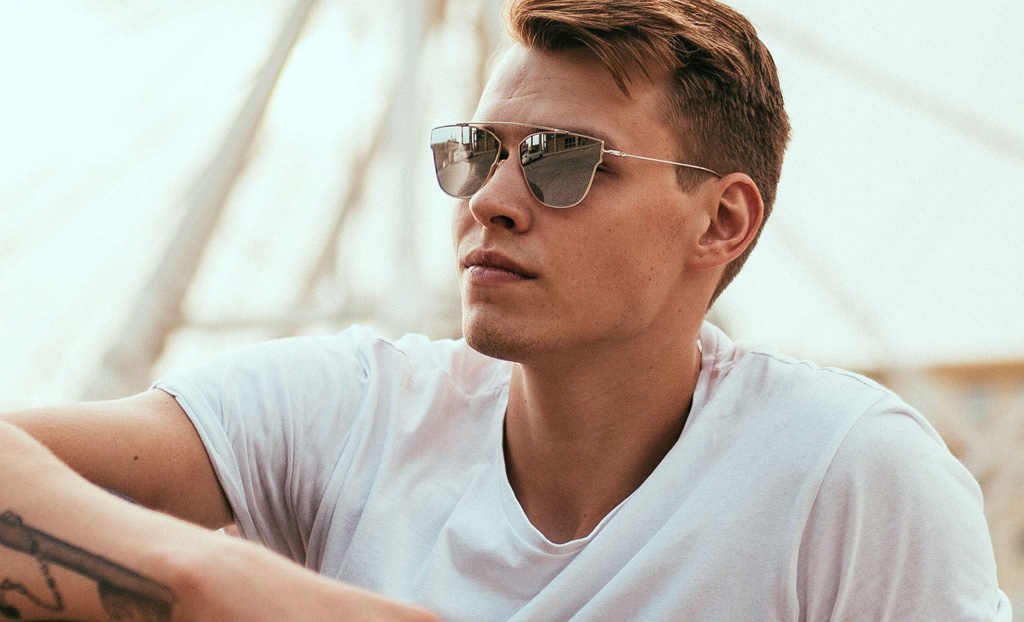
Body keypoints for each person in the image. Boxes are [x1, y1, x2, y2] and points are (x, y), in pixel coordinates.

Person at [0, 0, 1012, 620]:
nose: (489, 199)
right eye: (474, 152)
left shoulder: (845, 475)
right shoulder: (351, 413)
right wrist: (225, 587)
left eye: (563, 161)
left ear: (721, 220)